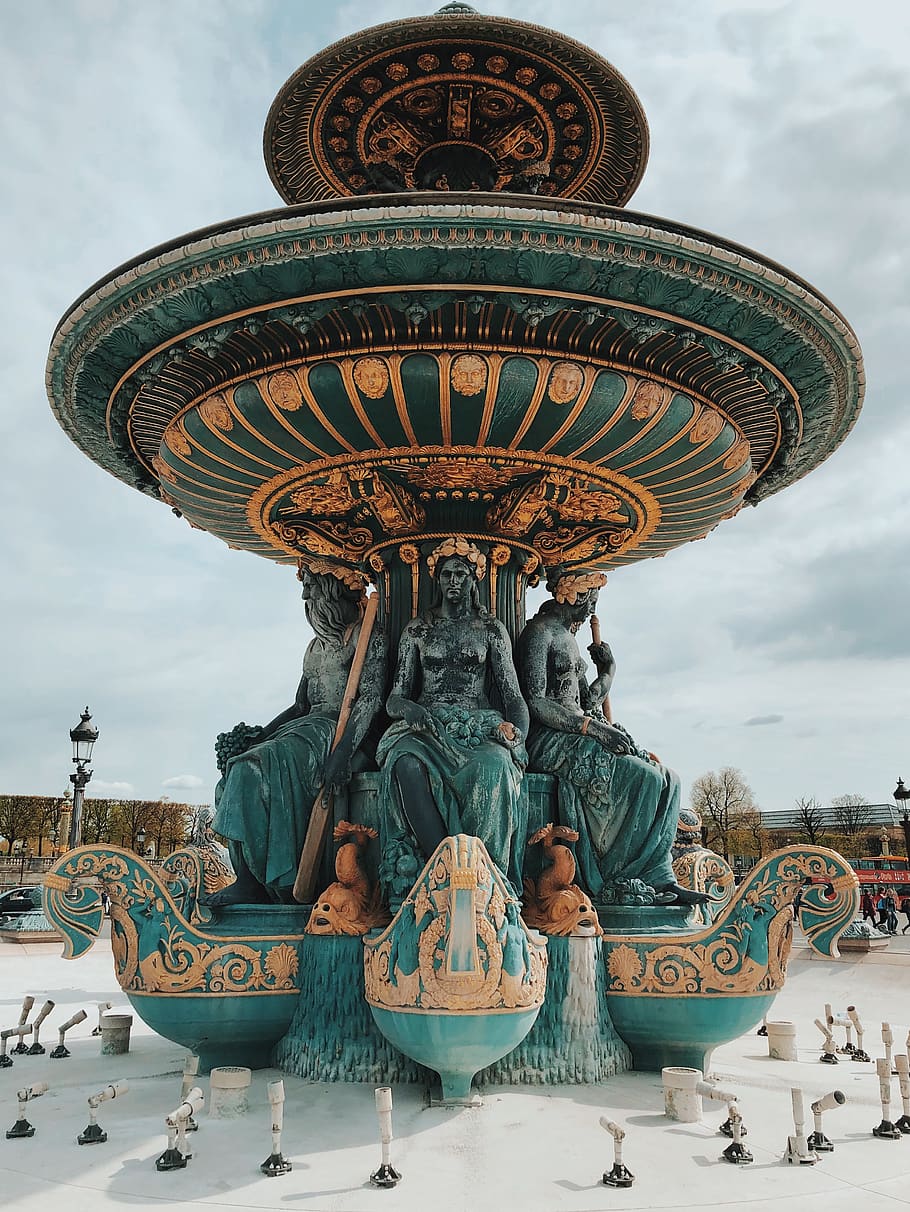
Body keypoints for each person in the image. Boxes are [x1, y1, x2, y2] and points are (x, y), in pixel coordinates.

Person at [517, 572, 708, 906]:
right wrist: (592, 729)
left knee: (669, 779)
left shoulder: (568, 637)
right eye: (591, 599)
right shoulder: (539, 633)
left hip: (579, 730)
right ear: (572, 595)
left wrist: (608, 672)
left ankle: (660, 875)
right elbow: (536, 700)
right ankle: (622, 875)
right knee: (645, 778)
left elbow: (584, 701)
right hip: (551, 739)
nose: (592, 609)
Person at [211, 565, 384, 904]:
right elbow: (299, 705)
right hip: (305, 728)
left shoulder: (365, 638)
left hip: (334, 731)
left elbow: (370, 700)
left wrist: (343, 752)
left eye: (313, 588)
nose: (306, 597)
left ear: (336, 593)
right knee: (236, 770)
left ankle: (253, 882)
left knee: (249, 770)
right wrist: (261, 736)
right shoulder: (314, 648)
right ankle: (249, 878)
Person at [377, 537, 529, 897]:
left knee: (494, 767)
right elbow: (395, 698)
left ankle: (485, 875)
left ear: (474, 579)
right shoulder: (418, 630)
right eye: (446, 574)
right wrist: (408, 708)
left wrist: (516, 735)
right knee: (405, 763)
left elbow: (514, 697)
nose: (454, 581)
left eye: (461, 574)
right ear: (437, 580)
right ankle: (441, 869)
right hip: (426, 723)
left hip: (477, 722)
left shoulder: (491, 631)